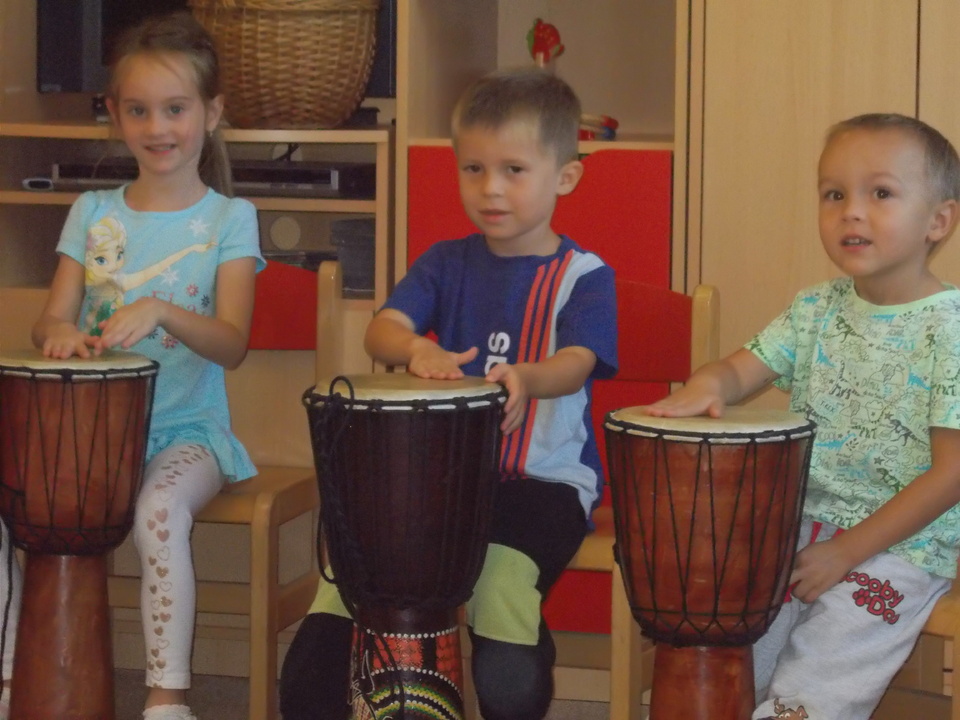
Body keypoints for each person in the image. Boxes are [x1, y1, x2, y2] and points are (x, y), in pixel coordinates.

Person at [279, 67, 618, 720]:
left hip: (543, 485)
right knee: (348, 582)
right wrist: (416, 349)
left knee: (500, 586)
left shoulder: (584, 277)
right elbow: (383, 330)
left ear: (565, 176)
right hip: (440, 484)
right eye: (473, 169)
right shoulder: (445, 262)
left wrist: (527, 377)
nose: (491, 188)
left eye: (514, 170)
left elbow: (577, 363)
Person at [645, 113, 960, 720]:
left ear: (938, 221)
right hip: (797, 526)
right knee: (727, 649)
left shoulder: (950, 327)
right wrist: (707, 384)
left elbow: (952, 473)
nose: (852, 212)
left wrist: (848, 552)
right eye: (834, 194)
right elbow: (739, 371)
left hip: (902, 550)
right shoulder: (815, 308)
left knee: (816, 678)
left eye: (881, 193)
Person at [29, 12, 263, 720]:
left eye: (175, 109)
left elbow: (232, 343)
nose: (157, 128)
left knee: (158, 512)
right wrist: (61, 336)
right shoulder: (91, 210)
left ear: (211, 113)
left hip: (189, 433)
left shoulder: (229, 219)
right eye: (138, 110)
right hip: (93, 433)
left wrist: (162, 310)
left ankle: (167, 697)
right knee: (16, 507)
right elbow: (51, 318)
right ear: (114, 113)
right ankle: (16, 679)